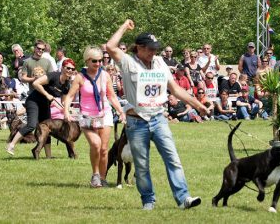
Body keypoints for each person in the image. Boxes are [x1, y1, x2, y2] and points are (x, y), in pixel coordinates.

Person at [106, 19, 207, 210]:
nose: (154, 52)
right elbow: (110, 46)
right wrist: (124, 27)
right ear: (139, 48)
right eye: (150, 49)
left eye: (155, 49)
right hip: (136, 123)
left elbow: (176, 89)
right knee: (142, 165)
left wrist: (197, 105)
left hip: (159, 119)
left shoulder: (160, 63)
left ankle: (184, 198)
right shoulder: (128, 63)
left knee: (173, 158)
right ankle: (148, 201)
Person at [64, 47, 125, 188]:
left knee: (104, 149)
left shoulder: (105, 75)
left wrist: (120, 111)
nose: (98, 64)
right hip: (87, 116)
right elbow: (70, 96)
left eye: (100, 61)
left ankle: (103, 178)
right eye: (94, 61)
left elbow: (111, 96)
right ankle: (95, 175)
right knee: (96, 144)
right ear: (87, 61)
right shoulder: (80, 77)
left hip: (105, 114)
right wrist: (66, 111)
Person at [6, 58, 77, 157]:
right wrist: (47, 95)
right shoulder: (53, 76)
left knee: (47, 128)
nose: (70, 70)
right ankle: (11, 144)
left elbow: (64, 102)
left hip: (45, 104)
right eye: (68, 68)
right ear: (62, 68)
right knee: (31, 125)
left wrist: (68, 110)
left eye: (72, 69)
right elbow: (36, 83)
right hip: (33, 101)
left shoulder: (66, 85)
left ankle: (48, 156)